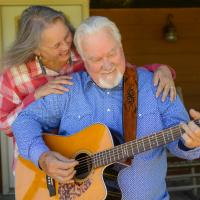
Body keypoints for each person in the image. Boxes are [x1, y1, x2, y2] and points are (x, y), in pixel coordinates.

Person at [12, 16, 200, 199]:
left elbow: (182, 143)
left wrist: (190, 143)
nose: (107, 65)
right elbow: (24, 120)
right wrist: (43, 157)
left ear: (121, 47)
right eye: (96, 59)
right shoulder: (68, 91)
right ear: (83, 60)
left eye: (112, 54)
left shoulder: (156, 85)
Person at [0, 6, 176, 171]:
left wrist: (161, 69)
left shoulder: (81, 54)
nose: (66, 46)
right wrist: (36, 96)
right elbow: (5, 125)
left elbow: (123, 72)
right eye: (56, 45)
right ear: (36, 49)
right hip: (36, 163)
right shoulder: (14, 76)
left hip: (80, 159)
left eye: (66, 36)